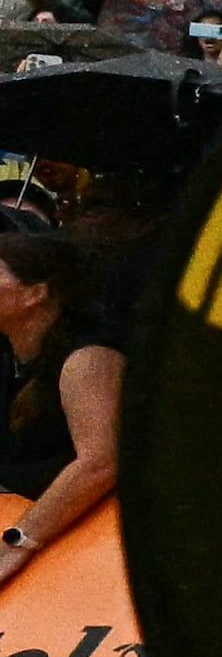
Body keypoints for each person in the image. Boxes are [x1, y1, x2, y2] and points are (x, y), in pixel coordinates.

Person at [0, 234, 122, 592]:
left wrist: (18, 541)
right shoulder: (10, 358)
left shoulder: (88, 356)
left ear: (34, 294)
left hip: (94, 546)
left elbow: (100, 462)